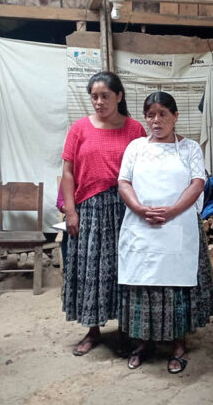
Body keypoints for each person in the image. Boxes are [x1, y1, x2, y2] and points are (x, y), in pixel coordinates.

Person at [117, 91, 213, 374]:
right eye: (150, 115)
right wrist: (140, 209)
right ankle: (144, 343)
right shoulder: (135, 147)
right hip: (142, 227)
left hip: (177, 226)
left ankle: (178, 345)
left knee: (175, 287)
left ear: (175, 116)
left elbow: (198, 183)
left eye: (163, 114)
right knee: (143, 284)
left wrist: (172, 211)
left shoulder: (190, 148)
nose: (156, 121)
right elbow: (124, 182)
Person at [61, 71, 146, 356]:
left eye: (105, 96)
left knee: (125, 268)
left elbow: (144, 171)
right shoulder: (79, 129)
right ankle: (93, 330)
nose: (99, 102)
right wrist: (71, 211)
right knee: (91, 269)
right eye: (94, 97)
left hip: (126, 208)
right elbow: (68, 172)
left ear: (119, 96)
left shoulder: (135, 130)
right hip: (90, 210)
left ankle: (126, 330)